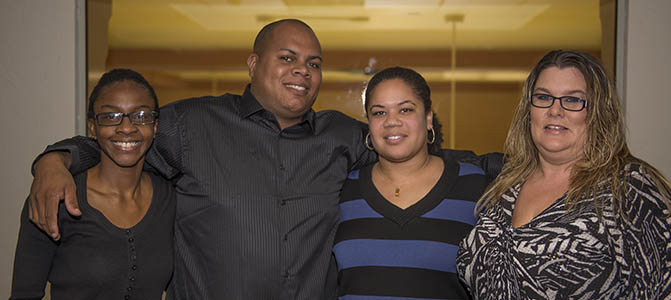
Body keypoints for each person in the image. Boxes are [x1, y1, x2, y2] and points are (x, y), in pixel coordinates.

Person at [26, 19, 499, 299]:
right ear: (253, 65)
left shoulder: (343, 136)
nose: (303, 71)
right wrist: (58, 157)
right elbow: (124, 133)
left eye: (314, 63)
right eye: (288, 58)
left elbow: (408, 145)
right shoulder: (193, 124)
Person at [456, 50, 671, 299]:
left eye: (573, 100)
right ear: (528, 110)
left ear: (598, 112)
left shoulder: (629, 189)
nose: (555, 110)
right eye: (544, 97)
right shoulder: (505, 186)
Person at [11, 69, 175, 299]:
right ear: (92, 128)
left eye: (141, 115)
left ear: (155, 126)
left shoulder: (171, 199)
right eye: (110, 117)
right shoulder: (55, 198)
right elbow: (24, 294)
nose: (127, 128)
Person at [333, 67, 487, 299]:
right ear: (369, 124)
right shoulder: (342, 189)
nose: (392, 121)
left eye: (405, 110)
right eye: (379, 113)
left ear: (427, 118)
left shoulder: (474, 187)